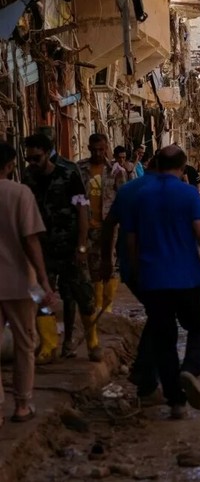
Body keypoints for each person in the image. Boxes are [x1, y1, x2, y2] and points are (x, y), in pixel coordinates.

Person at [125, 145, 200, 419]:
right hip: (187, 278)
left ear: (157, 163)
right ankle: (190, 369)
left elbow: (131, 241)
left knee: (163, 340)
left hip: (153, 279)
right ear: (183, 167)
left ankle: (176, 402)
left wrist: (137, 271)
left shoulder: (140, 195)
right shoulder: (188, 194)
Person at [22, 134, 101, 363]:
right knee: (41, 297)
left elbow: (82, 211)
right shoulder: (29, 177)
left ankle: (92, 342)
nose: (32, 163)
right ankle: (49, 344)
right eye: (29, 159)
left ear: (48, 153)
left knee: (82, 295)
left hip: (70, 246)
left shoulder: (69, 173)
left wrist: (82, 246)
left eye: (36, 158)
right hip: (43, 248)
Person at [0, 142, 58, 423]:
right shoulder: (20, 193)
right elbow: (31, 240)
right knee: (25, 342)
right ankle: (22, 404)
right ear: (10, 165)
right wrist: (44, 281)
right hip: (19, 281)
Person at [101, 154, 162, 404]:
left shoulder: (127, 190)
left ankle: (146, 378)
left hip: (131, 268)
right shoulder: (164, 192)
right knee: (161, 318)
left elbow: (109, 224)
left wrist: (107, 259)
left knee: (158, 316)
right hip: (157, 268)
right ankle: (145, 377)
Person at [79, 134, 125, 315]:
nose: (98, 153)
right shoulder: (80, 169)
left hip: (108, 225)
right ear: (89, 148)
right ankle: (96, 303)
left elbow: (122, 197)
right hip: (85, 225)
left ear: (106, 148)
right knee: (90, 266)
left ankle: (107, 307)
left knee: (109, 263)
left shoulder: (115, 171)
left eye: (101, 149)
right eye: (94, 149)